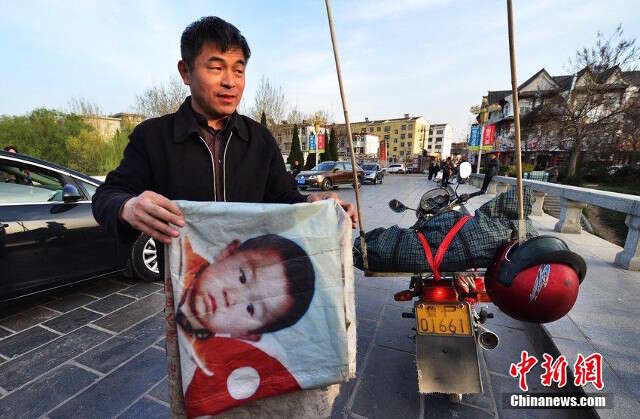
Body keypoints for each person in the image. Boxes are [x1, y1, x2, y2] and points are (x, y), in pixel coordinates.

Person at [91, 16, 352, 416]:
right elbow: (107, 196)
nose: (230, 81)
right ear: (185, 71)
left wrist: (321, 205)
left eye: (239, 69)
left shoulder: (259, 139)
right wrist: (129, 207)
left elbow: (286, 200)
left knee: (262, 397)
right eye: (216, 67)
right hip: (182, 304)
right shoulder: (154, 138)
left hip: (250, 302)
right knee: (199, 399)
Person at [175, 234, 315, 341]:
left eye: (251, 308)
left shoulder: (209, 364)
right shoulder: (180, 250)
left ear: (247, 334)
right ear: (228, 252)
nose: (232, 297)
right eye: (242, 277)